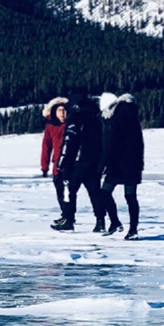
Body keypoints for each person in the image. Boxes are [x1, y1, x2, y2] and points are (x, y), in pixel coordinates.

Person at [51, 96, 104, 231]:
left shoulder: (74, 121)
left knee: (69, 192)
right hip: (94, 163)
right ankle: (100, 221)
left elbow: (69, 143)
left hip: (76, 165)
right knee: (95, 192)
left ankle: (68, 220)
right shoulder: (96, 121)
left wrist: (62, 163)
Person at [99, 92, 144, 238]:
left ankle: (117, 223)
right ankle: (131, 229)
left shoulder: (117, 117)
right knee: (130, 196)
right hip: (132, 163)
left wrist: (103, 164)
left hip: (118, 163)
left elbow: (111, 143)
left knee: (106, 192)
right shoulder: (131, 114)